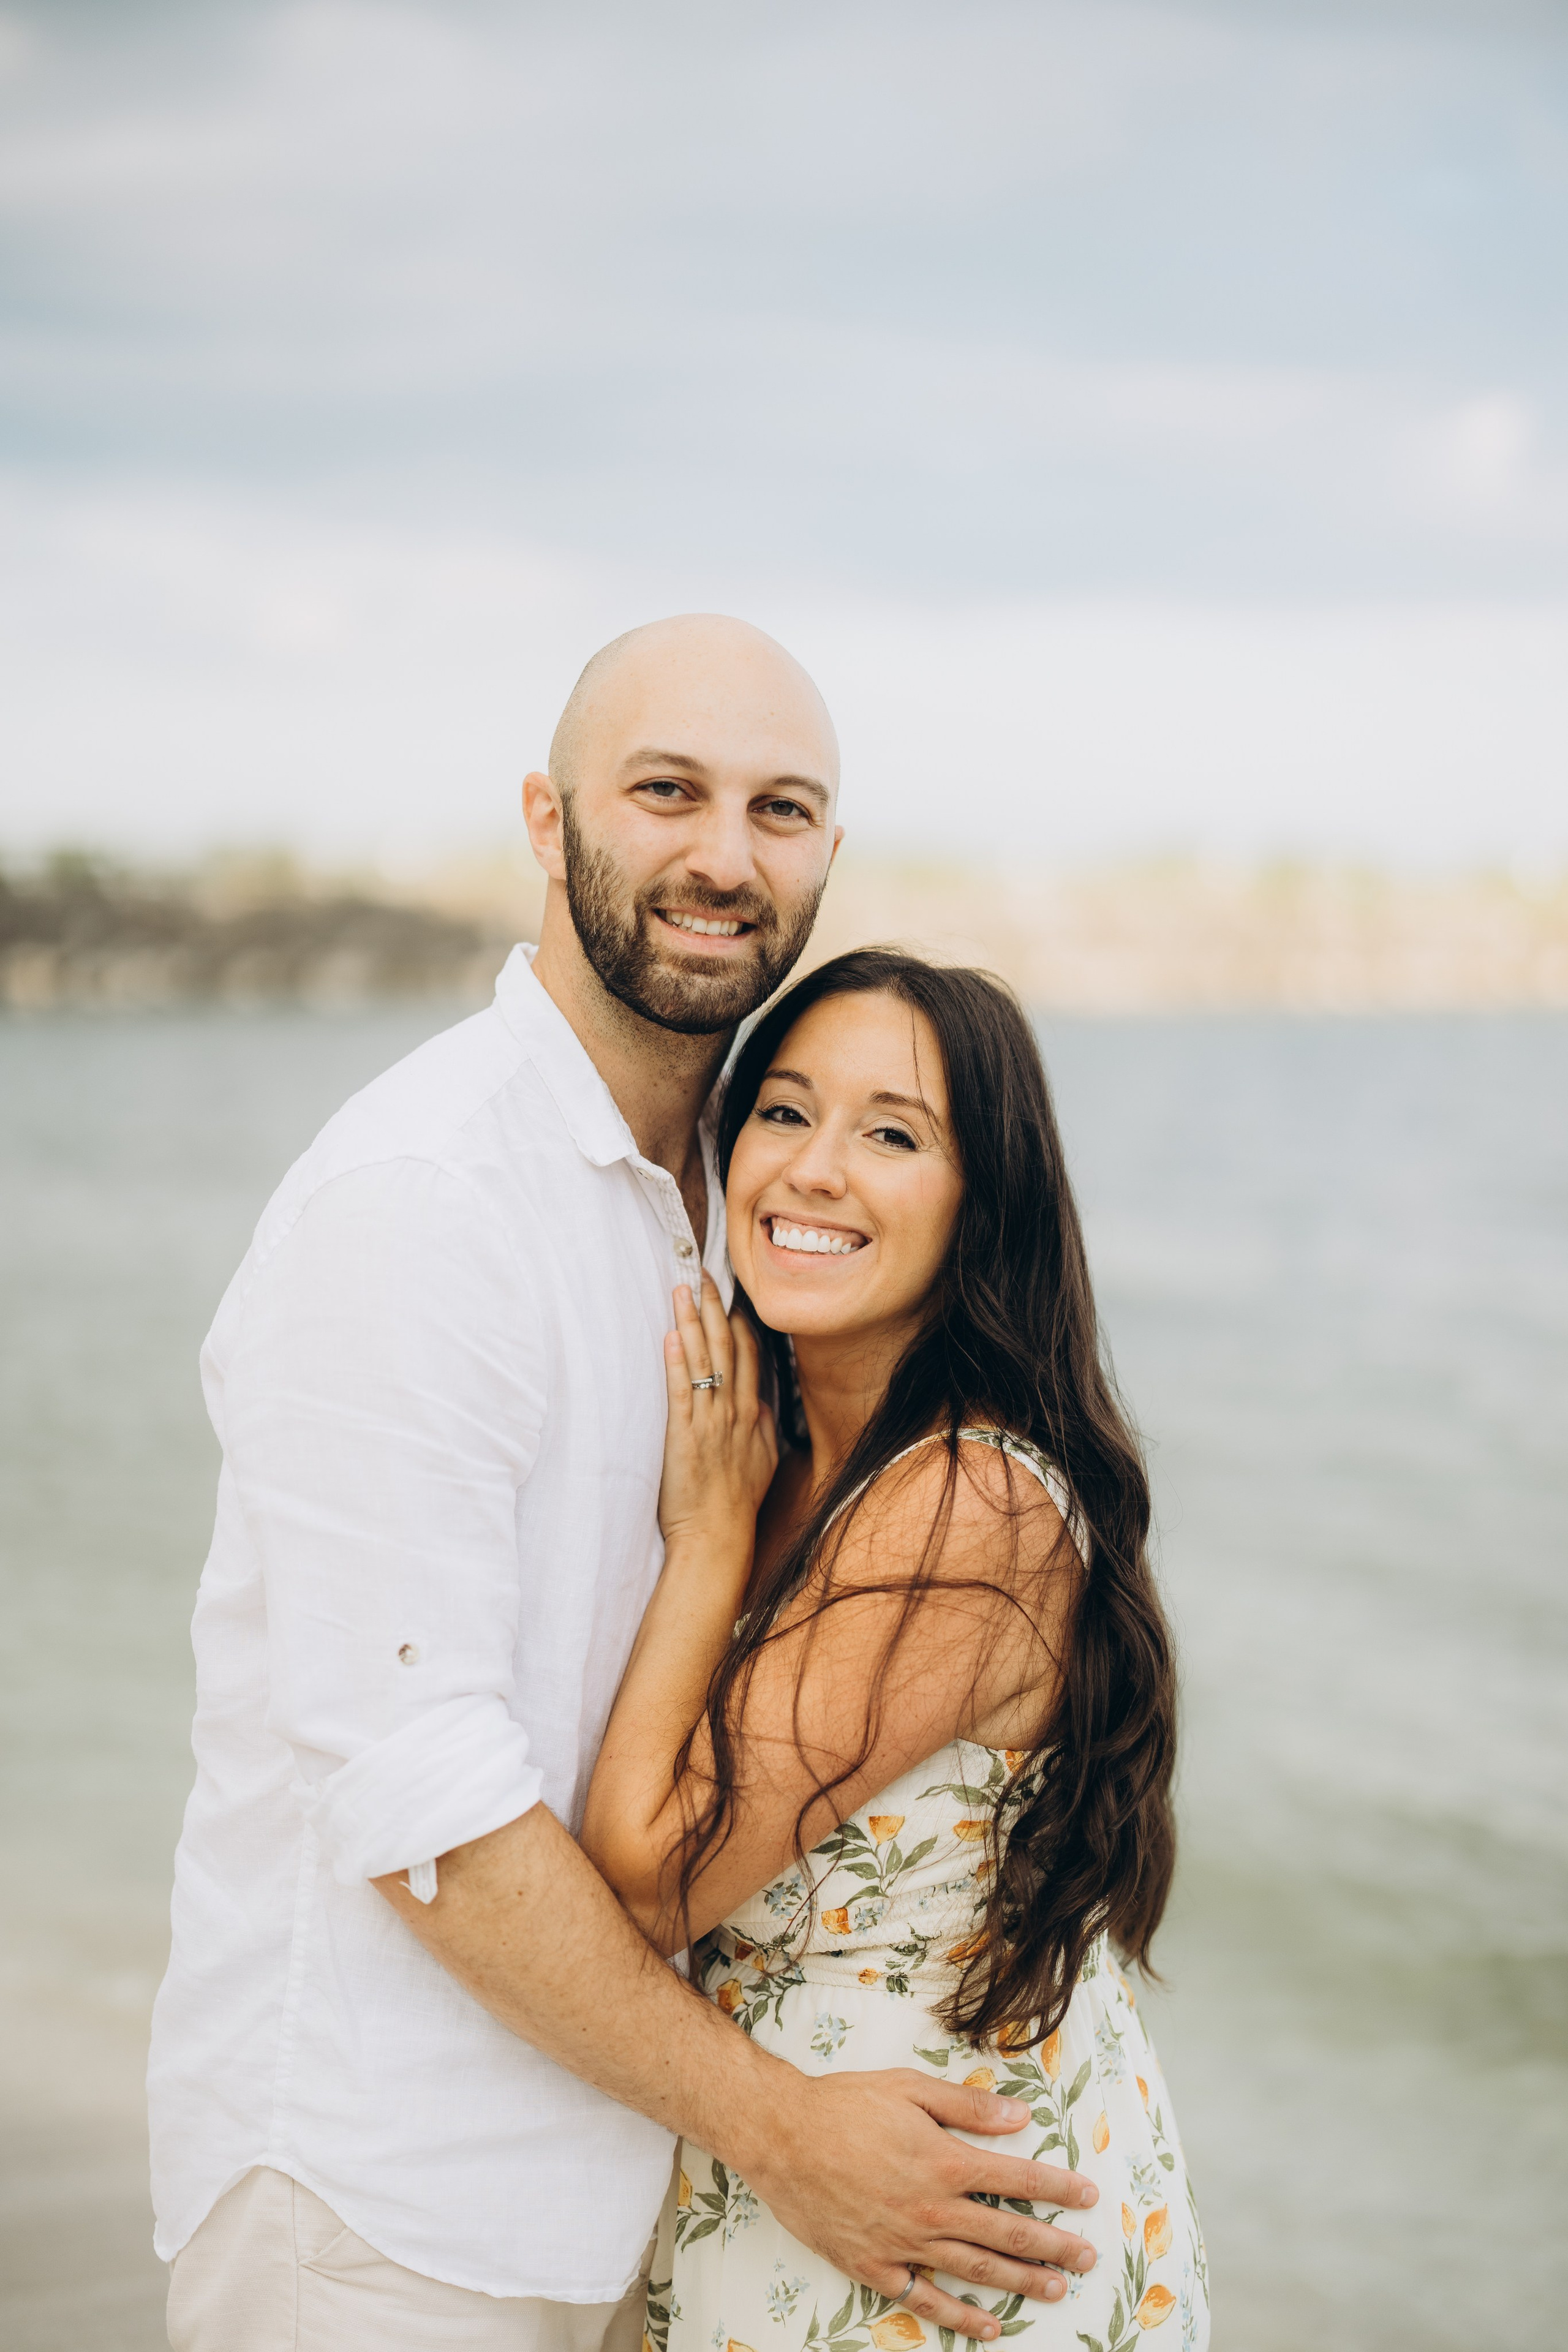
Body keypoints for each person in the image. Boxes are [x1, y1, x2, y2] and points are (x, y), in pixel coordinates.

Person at [148, 616, 1103, 2352]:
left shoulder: (728, 1209)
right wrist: (771, 2126)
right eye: (668, 792)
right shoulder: (428, 1202)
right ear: (547, 817)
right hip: (382, 2213)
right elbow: (418, 1796)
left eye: (783, 809)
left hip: (630, 2212)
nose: (725, 857)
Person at [580, 948, 1210, 2352]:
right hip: (808, 2185)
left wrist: (704, 1544)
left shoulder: (966, 1501)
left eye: (890, 1134)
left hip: (950, 2247)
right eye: (785, 1112)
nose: (813, 1170)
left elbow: (650, 1869)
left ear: (981, 1204)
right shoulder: (793, 1452)